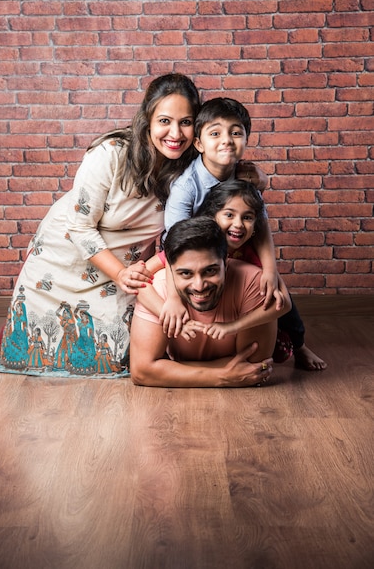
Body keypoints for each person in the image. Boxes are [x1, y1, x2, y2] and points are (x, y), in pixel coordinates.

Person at [0, 73, 202, 378]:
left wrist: (252, 175)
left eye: (185, 122)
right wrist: (119, 274)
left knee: (121, 352)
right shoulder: (110, 155)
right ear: (147, 120)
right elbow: (79, 226)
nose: (175, 133)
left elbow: (223, 163)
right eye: (164, 121)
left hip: (129, 268)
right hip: (69, 254)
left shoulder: (190, 163)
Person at [130, 217, 292, 388]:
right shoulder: (158, 288)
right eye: (186, 274)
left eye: (210, 271)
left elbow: (252, 366)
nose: (199, 286)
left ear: (226, 263)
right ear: (171, 271)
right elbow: (142, 371)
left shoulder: (254, 283)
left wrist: (166, 368)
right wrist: (221, 377)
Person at [163, 97, 281, 314]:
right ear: (199, 144)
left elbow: (261, 225)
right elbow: (173, 242)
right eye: (215, 134)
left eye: (236, 133)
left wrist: (270, 270)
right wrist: (172, 297)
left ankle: (296, 342)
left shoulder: (247, 180)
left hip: (235, 249)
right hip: (196, 255)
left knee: (275, 287)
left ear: (246, 139)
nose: (227, 140)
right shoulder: (186, 188)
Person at [197, 180, 327, 370]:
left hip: (245, 309)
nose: (238, 224)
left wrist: (270, 277)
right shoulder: (203, 246)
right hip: (217, 308)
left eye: (247, 217)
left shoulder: (251, 253)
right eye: (229, 215)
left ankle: (300, 347)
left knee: (280, 300)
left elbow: (284, 304)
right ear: (212, 217)